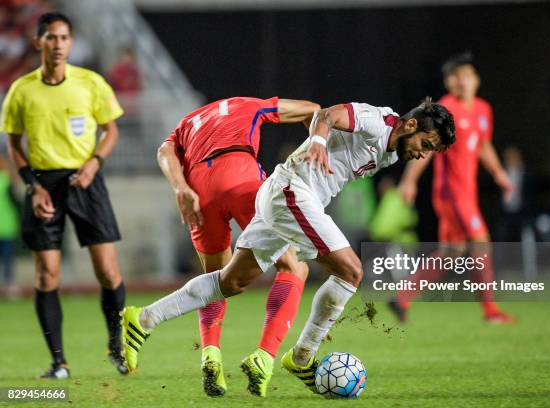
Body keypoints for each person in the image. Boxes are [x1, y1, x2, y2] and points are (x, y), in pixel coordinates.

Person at [121, 97, 455, 395]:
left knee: (231, 281)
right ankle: (301, 358)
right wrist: (318, 141)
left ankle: (144, 319)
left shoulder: (394, 152)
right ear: (410, 125)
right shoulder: (376, 120)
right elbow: (326, 114)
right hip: (292, 193)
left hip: (283, 195)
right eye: (426, 143)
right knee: (351, 271)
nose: (424, 153)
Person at [156, 96, 319, 397]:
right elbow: (313, 110)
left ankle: (210, 355)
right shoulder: (247, 104)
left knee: (214, 280)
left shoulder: (187, 123)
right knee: (294, 266)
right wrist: (315, 146)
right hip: (241, 174)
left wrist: (180, 188)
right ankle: (265, 357)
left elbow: (164, 150)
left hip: (198, 186)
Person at [1, 12, 127, 378]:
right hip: (43, 185)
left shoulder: (90, 83)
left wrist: (94, 163)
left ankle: (116, 346)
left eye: (64, 38)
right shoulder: (22, 90)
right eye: (51, 38)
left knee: (107, 270)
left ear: (71, 42)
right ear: (38, 42)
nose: (58, 45)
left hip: (86, 180)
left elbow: (111, 131)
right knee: (46, 276)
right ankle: (58, 363)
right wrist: (32, 184)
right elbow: (13, 143)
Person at [390, 52, 515, 323]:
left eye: (468, 75)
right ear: (449, 82)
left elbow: (483, 145)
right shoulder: (445, 110)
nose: (464, 81)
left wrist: (499, 173)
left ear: (476, 80)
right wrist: (409, 181)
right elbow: (427, 147)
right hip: (451, 193)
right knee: (482, 243)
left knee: (451, 253)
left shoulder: (483, 109)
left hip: (467, 193)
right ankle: (491, 311)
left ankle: (402, 297)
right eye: (457, 76)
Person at [0, 154, 19, 291]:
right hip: (7, 224)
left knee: (7, 258)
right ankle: (9, 285)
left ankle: (8, 284)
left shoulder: (6, 180)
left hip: (6, 224)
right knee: (8, 259)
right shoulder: (7, 180)